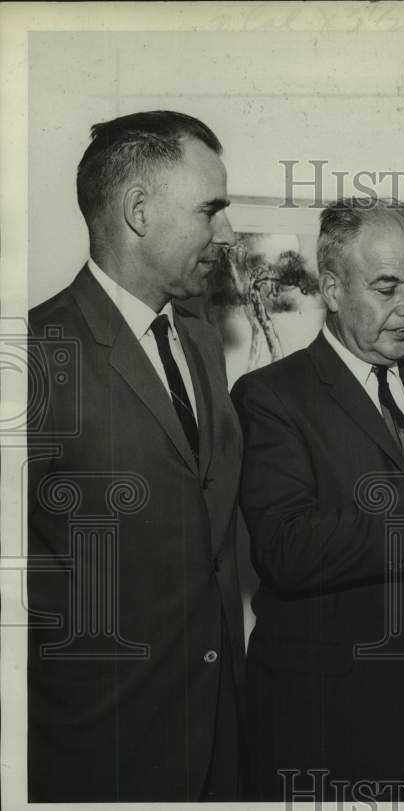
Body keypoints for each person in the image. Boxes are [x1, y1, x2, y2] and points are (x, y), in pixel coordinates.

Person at [232, 197, 404, 801]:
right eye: (387, 289)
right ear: (331, 289)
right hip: (327, 730)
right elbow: (286, 550)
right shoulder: (269, 397)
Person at [27, 111, 245, 801]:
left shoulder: (202, 339)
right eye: (210, 209)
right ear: (139, 211)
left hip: (220, 741)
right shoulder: (34, 354)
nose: (228, 233)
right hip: (99, 756)